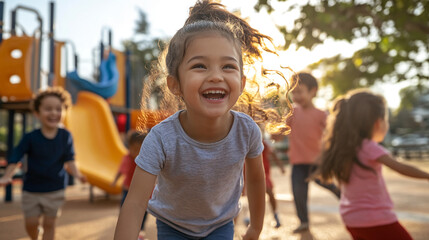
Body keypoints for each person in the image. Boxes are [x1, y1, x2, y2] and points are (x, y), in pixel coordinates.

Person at [114, 1, 288, 239]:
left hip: (220, 226)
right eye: (200, 66)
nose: (216, 76)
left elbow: (256, 181)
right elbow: (134, 204)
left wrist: (255, 228)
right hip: (172, 226)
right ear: (175, 84)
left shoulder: (246, 131)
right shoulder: (162, 138)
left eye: (228, 66)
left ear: (243, 82)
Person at [317, 89, 429, 240]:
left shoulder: (343, 147)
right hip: (376, 219)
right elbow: (400, 167)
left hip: (351, 220)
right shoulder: (368, 147)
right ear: (377, 122)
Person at [0, 87, 87, 240]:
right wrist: (7, 176)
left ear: (64, 111)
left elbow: (70, 159)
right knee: (31, 223)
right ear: (37, 113)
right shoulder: (30, 138)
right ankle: (35, 236)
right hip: (32, 189)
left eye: (58, 109)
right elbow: (15, 158)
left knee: (49, 223)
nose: (53, 113)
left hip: (55, 189)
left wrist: (78, 174)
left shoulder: (65, 136)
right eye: (48, 109)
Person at [287, 72, 341, 233]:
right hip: (297, 163)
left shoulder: (321, 114)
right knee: (298, 194)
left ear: (313, 91)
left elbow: (332, 135)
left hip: (317, 163)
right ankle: (304, 222)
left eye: (300, 91)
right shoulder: (291, 114)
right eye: (293, 91)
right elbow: (278, 134)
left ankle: (347, 201)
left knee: (330, 186)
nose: (296, 95)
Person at [111, 131, 148, 240]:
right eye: (134, 149)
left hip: (143, 193)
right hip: (128, 190)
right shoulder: (127, 158)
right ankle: (127, 229)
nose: (136, 153)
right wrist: (114, 181)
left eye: (139, 149)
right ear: (129, 147)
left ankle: (140, 232)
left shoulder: (146, 159)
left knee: (143, 213)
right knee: (125, 210)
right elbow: (120, 171)